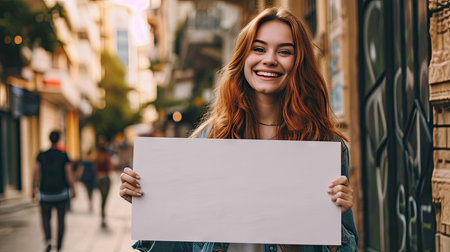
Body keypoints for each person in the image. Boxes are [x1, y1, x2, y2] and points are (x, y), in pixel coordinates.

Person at [120, 7, 358, 252]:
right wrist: (149, 206)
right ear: (243, 57)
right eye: (258, 48)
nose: (270, 59)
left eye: (284, 51)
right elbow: (179, 243)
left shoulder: (324, 145)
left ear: (299, 62)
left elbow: (346, 247)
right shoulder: (209, 139)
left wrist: (336, 222)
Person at [32, 130, 76, 252]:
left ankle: (48, 240)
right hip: (61, 193)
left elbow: (36, 172)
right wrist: (73, 188)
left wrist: (33, 188)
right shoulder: (63, 155)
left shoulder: (41, 155)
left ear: (49, 139)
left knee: (45, 217)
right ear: (59, 139)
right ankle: (59, 246)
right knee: (61, 219)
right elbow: (69, 173)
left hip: (45, 193)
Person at [95, 144, 113, 228]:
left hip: (99, 178)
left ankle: (102, 216)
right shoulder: (107, 157)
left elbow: (94, 169)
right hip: (105, 179)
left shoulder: (96, 158)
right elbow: (110, 168)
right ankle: (103, 216)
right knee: (104, 199)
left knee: (101, 198)